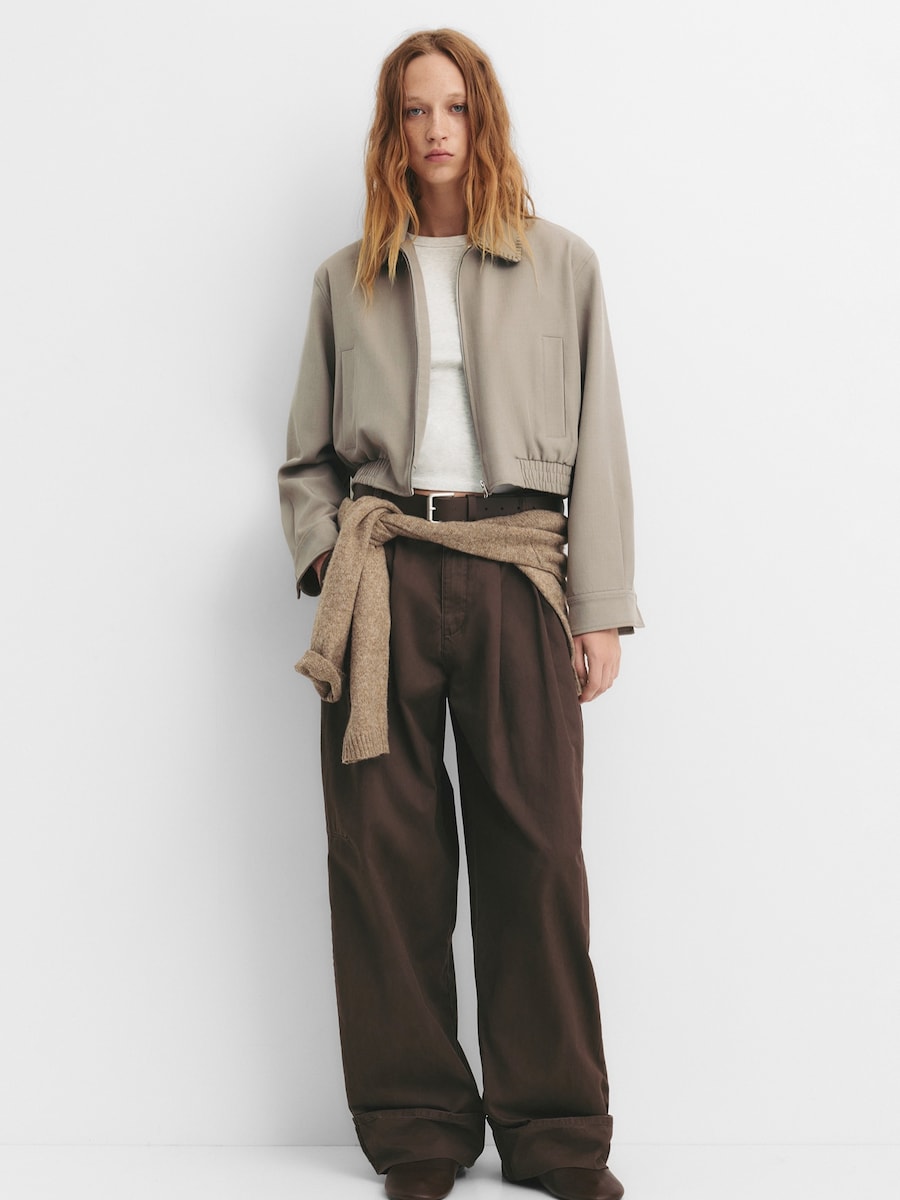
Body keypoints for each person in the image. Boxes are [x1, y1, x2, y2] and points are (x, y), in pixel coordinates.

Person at [278, 28, 643, 1200]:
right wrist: (329, 560)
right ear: (391, 132)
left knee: (537, 853)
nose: (436, 129)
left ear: (483, 120)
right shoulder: (347, 278)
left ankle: (556, 1132)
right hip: (383, 574)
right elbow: (306, 461)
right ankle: (417, 1128)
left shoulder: (562, 265)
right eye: (413, 110)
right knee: (383, 856)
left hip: (518, 568)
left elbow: (601, 446)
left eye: (455, 107)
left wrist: (599, 607)